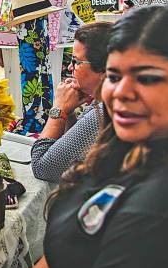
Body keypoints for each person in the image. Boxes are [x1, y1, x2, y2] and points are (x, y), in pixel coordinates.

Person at [19, 5, 168, 268]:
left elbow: (46, 167)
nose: (121, 93)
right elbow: (71, 244)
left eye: (148, 78)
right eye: (114, 76)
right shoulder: (139, 145)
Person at [31, 22, 111, 182]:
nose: (69, 67)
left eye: (76, 62)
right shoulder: (103, 101)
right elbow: (70, 150)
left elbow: (43, 167)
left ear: (103, 70)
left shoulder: (106, 110)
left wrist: (58, 109)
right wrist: (68, 110)